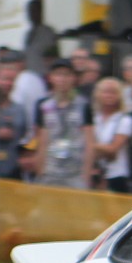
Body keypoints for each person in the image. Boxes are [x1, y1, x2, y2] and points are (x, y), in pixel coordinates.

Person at [32, 60, 94, 188]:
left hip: (75, 172)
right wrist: (40, 171)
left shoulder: (83, 105)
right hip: (51, 171)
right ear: (51, 78)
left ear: (73, 78)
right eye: (58, 74)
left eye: (67, 74)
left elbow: (89, 143)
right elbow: (42, 141)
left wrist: (86, 176)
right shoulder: (44, 106)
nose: (62, 79)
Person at [89, 77, 132, 192]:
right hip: (94, 172)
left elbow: (113, 149)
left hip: (116, 174)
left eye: (113, 92)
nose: (109, 95)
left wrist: (90, 145)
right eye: (105, 92)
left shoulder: (124, 119)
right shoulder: (93, 117)